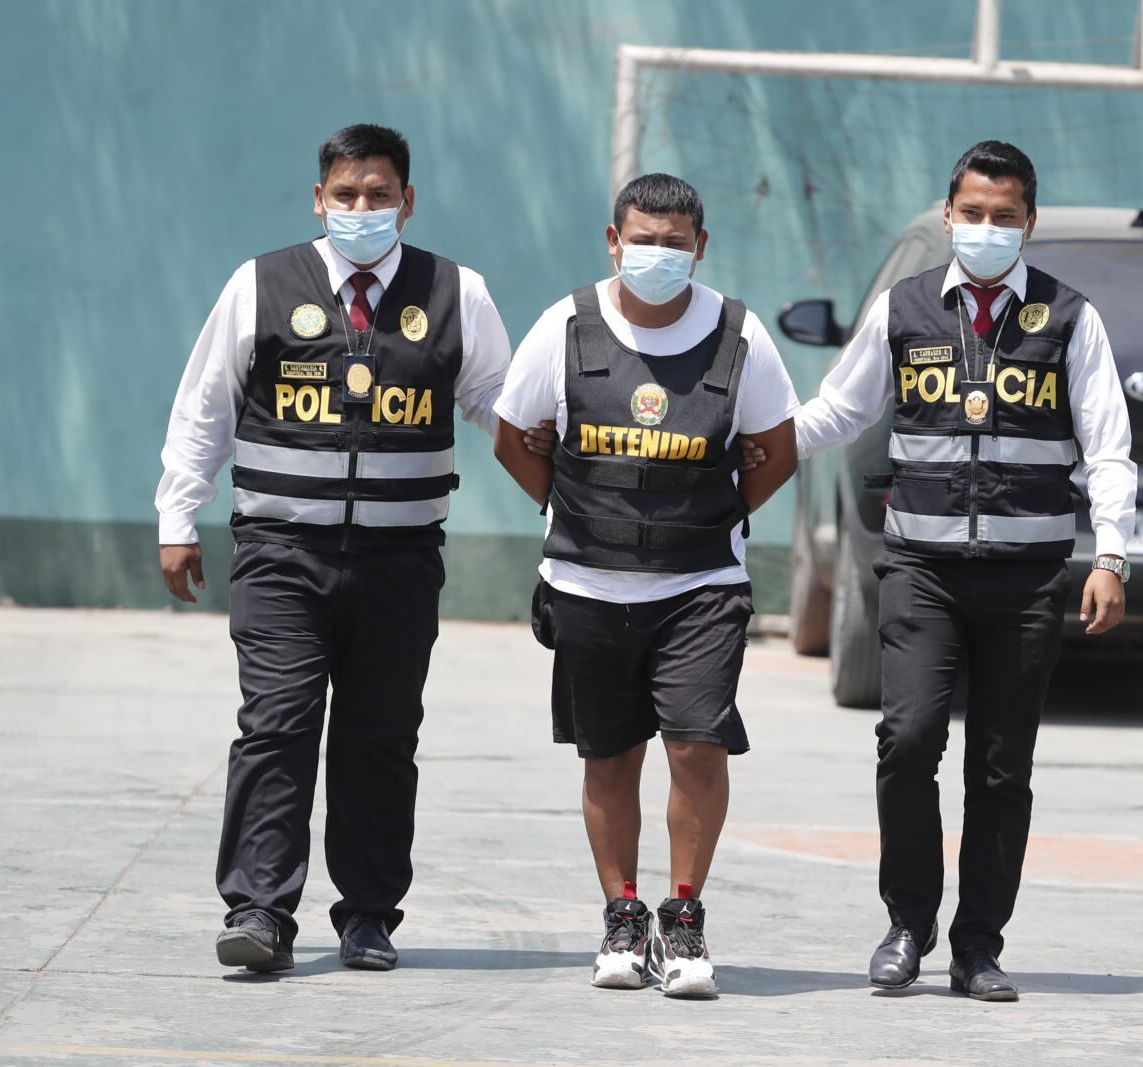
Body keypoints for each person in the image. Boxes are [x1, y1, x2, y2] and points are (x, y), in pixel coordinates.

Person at [156, 123, 535, 974]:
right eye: (345, 195)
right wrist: (178, 516)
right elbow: (205, 407)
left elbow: (503, 410)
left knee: (379, 736)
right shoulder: (260, 285)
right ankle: (259, 909)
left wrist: (568, 505)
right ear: (318, 199)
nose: (361, 210)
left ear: (408, 200)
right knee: (277, 726)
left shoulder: (454, 291)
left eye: (378, 195)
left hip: (400, 562)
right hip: (281, 554)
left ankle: (368, 915)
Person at [790, 141, 1137, 1000]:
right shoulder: (902, 308)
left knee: (1001, 764)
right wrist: (740, 435)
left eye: (1005, 216)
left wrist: (1113, 555)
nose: (986, 229)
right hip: (922, 567)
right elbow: (839, 408)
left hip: (1026, 577)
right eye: (972, 213)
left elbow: (1109, 446)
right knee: (907, 742)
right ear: (948, 215)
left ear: (1029, 223)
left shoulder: (1069, 318)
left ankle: (978, 944)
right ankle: (907, 924)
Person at [493, 173, 799, 997]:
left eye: (673, 242)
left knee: (697, 744)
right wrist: (573, 508)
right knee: (608, 754)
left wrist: (712, 521)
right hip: (587, 586)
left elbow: (775, 449)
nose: (656, 254)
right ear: (612, 239)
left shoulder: (740, 335)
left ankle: (685, 918)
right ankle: (623, 914)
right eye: (642, 238)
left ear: (700, 247)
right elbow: (515, 437)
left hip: (700, 585)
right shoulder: (564, 325)